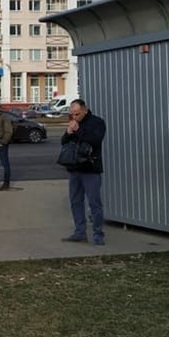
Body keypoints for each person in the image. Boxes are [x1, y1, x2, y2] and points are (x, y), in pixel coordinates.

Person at [61, 99, 107, 245]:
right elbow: (64, 142)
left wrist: (78, 130)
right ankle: (79, 232)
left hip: (90, 168)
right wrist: (68, 133)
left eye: (77, 114)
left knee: (94, 203)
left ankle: (98, 234)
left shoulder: (97, 122)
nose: (74, 117)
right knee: (75, 201)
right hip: (74, 168)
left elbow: (95, 140)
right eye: (72, 114)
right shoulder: (73, 122)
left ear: (85, 110)